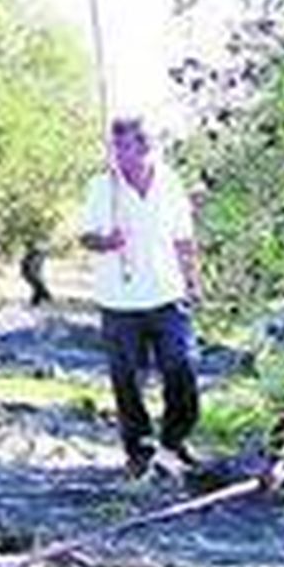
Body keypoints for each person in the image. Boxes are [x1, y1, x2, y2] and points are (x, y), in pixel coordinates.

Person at [80, 115, 205, 480]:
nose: (117, 153)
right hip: (119, 301)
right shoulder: (102, 187)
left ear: (146, 146)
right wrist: (107, 242)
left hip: (168, 295)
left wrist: (193, 281)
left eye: (125, 145)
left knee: (182, 367)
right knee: (127, 382)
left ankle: (174, 441)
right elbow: (85, 237)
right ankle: (139, 450)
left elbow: (184, 239)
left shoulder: (170, 182)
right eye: (114, 145)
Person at [20, 240, 53, 306]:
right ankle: (39, 302)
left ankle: (46, 299)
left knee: (39, 288)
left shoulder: (34, 255)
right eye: (46, 252)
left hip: (29, 274)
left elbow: (37, 267)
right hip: (30, 274)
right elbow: (33, 266)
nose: (47, 253)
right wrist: (35, 275)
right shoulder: (36, 255)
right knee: (39, 288)